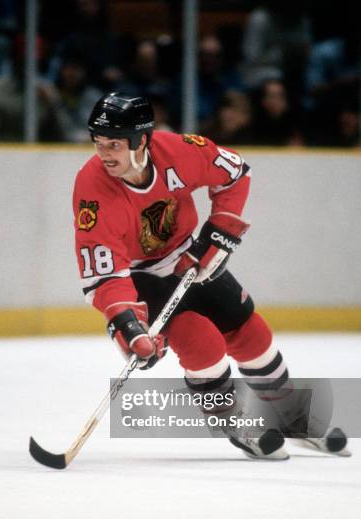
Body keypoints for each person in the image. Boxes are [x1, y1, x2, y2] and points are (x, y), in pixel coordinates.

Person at [72, 92, 350, 460]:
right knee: (198, 339)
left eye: (114, 144)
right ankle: (232, 418)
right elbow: (105, 274)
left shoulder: (180, 151)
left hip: (190, 255)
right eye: (98, 143)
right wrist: (128, 326)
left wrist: (218, 230)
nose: (104, 153)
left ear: (142, 140)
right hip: (140, 277)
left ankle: (294, 416)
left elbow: (235, 173)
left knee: (251, 333)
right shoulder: (92, 188)